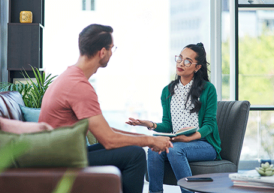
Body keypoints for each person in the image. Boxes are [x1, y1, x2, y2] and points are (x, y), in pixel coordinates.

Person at [38, 24, 173, 193]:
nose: (111, 53)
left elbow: (105, 131)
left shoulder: (70, 77)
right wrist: (151, 141)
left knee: (133, 148)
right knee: (135, 155)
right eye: (112, 48)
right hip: (63, 161)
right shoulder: (78, 86)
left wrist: (149, 138)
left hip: (65, 154)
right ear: (102, 52)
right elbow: (109, 140)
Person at [126, 43, 222, 193]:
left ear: (197, 67)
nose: (181, 63)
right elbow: (168, 125)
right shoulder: (167, 91)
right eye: (180, 58)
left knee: (175, 150)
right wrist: (149, 124)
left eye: (188, 61)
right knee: (153, 149)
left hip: (204, 143)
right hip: (177, 141)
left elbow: (209, 125)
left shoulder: (208, 89)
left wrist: (188, 138)